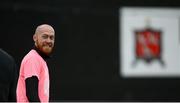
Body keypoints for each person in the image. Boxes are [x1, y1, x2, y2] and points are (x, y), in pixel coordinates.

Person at [16, 24, 55, 102]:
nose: (48, 41)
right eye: (45, 36)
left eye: (51, 37)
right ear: (35, 38)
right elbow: (31, 95)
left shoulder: (39, 59)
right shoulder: (33, 59)